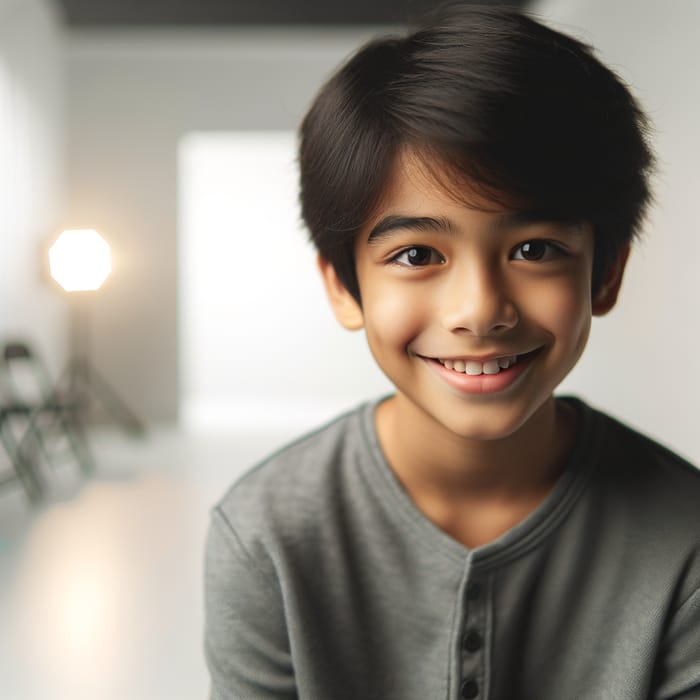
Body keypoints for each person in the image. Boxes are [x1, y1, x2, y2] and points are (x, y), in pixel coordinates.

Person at [204, 5, 700, 699]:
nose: (478, 311)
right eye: (416, 254)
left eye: (535, 250)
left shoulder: (686, 541)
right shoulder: (266, 537)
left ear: (606, 273)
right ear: (344, 289)